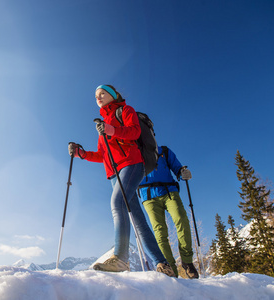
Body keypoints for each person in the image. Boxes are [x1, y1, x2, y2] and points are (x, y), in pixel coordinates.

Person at [68, 84, 175, 277]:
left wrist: (111, 130)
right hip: (113, 174)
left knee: (117, 203)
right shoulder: (103, 123)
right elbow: (102, 155)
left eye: (102, 93)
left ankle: (121, 258)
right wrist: (81, 154)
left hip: (132, 164)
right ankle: (162, 265)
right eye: (96, 95)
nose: (98, 97)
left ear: (113, 95)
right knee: (137, 219)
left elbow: (134, 132)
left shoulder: (125, 110)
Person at [137, 145, 199, 279]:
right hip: (148, 196)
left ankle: (187, 262)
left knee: (181, 218)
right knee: (160, 232)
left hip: (169, 191)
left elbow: (177, 168)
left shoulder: (163, 151)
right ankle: (170, 270)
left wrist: (182, 172)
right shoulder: (134, 151)